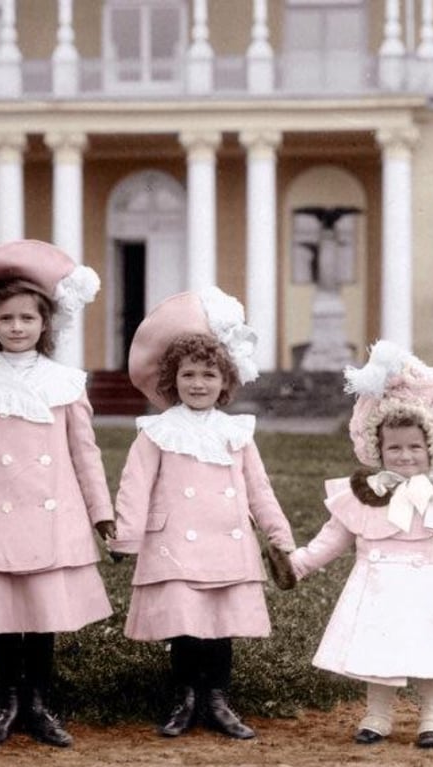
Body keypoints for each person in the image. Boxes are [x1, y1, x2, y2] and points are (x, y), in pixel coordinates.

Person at [0, 240, 114, 749]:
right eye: (6, 319)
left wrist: (102, 514)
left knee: (41, 616)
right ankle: (7, 701)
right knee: (3, 616)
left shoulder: (67, 383)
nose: (17, 328)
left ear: (45, 325)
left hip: (51, 518)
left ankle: (37, 702)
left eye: (27, 319)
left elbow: (86, 454)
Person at [108, 287, 296, 740]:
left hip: (226, 543)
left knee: (219, 628)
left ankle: (217, 699)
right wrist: (126, 536)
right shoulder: (156, 431)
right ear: (173, 380)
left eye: (209, 375)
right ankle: (186, 698)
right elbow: (135, 484)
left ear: (224, 382)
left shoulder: (236, 433)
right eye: (189, 375)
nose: (198, 384)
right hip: (175, 545)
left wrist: (279, 535)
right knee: (186, 627)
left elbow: (259, 489)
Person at [287, 339, 433, 749]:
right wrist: (299, 563)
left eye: (415, 447)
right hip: (379, 585)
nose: (405, 456)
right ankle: (377, 716)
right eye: (394, 447)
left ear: (431, 448)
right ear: (377, 450)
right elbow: (334, 536)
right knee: (376, 655)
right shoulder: (366, 495)